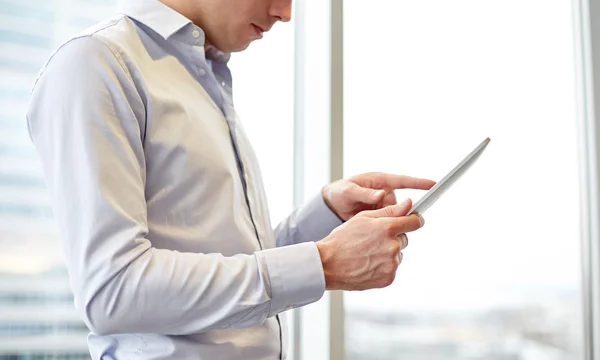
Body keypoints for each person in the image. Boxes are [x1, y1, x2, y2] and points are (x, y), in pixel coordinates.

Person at [26, 0, 435, 358]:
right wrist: (323, 264)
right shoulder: (97, 63)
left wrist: (324, 217)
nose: (285, 13)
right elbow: (114, 292)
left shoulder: (202, 75)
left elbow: (229, 265)